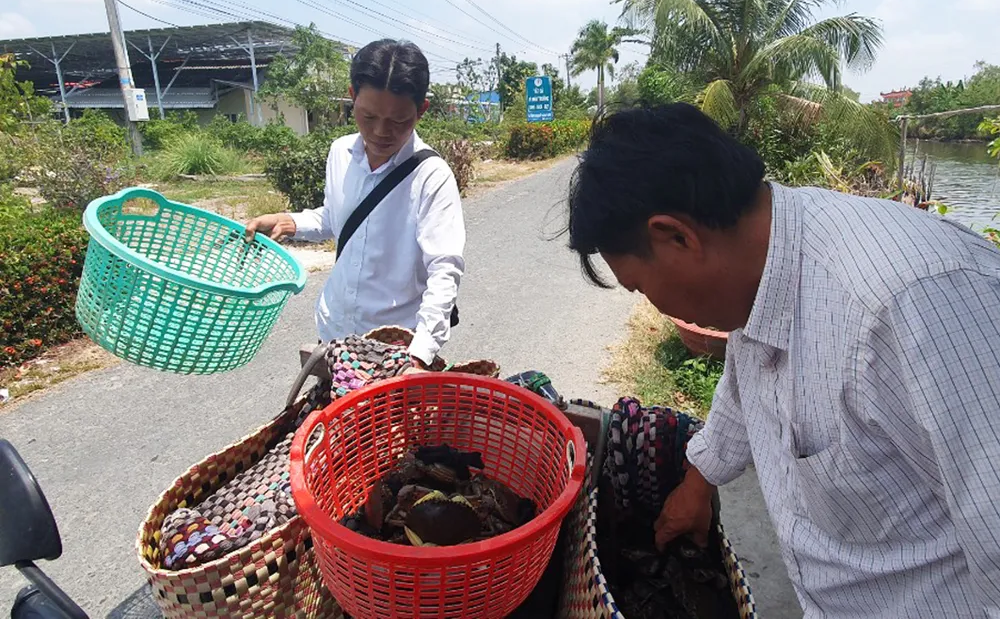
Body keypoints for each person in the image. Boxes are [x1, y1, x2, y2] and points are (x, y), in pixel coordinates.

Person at [566, 102, 1000, 617]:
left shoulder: (914, 304)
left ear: (676, 236)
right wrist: (699, 481)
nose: (651, 305)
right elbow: (746, 376)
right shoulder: (760, 264)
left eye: (640, 286)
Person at [247, 39, 464, 372]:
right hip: (334, 336)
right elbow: (338, 217)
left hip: (395, 354)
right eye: (369, 115)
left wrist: (419, 355)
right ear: (352, 97)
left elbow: (444, 270)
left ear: (421, 111)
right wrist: (291, 222)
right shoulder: (340, 153)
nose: (380, 132)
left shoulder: (432, 177)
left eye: (398, 121)